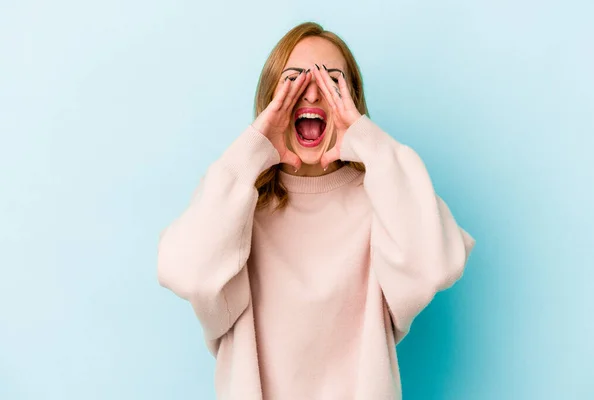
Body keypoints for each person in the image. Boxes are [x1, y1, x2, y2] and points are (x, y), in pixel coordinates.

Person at [157, 21, 476, 400]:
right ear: (271, 98)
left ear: (351, 100)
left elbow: (435, 264)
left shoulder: (383, 201)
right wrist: (252, 151)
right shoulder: (236, 208)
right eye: (293, 80)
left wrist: (368, 143)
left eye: (330, 81)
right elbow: (186, 272)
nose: (311, 93)